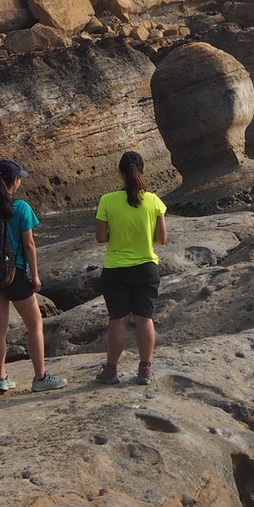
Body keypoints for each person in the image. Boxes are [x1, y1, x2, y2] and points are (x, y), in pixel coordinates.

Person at [0, 158, 66, 393]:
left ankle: (1, 378)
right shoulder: (21, 208)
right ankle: (40, 378)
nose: (20, 181)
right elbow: (29, 244)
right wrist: (35, 276)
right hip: (14, 273)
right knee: (35, 324)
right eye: (19, 178)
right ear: (14, 181)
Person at [94, 150, 168, 385]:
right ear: (142, 169)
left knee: (118, 320)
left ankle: (111, 370)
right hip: (146, 267)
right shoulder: (154, 201)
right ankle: (145, 369)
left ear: (120, 173)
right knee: (145, 319)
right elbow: (162, 239)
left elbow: (100, 237)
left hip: (115, 268)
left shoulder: (107, 200)